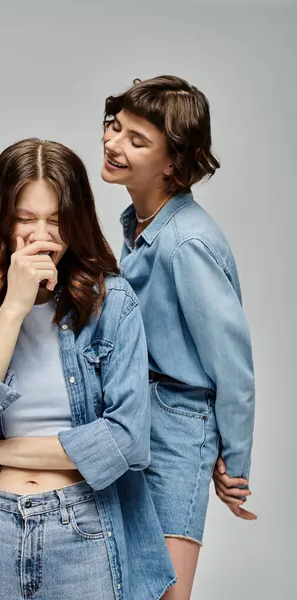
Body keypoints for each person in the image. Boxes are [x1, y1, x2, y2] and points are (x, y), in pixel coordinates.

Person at [0, 138, 176, 600]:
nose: (40, 236)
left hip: (84, 526)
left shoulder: (114, 304)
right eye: (25, 220)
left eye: (55, 220)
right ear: (1, 220)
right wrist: (13, 308)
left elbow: (127, 440)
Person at [101, 75, 256, 600]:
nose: (113, 143)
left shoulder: (186, 241)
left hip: (177, 429)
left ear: (173, 162)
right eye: (115, 127)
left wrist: (234, 464)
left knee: (166, 592)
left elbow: (232, 365)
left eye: (136, 140)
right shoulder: (141, 225)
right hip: (136, 417)